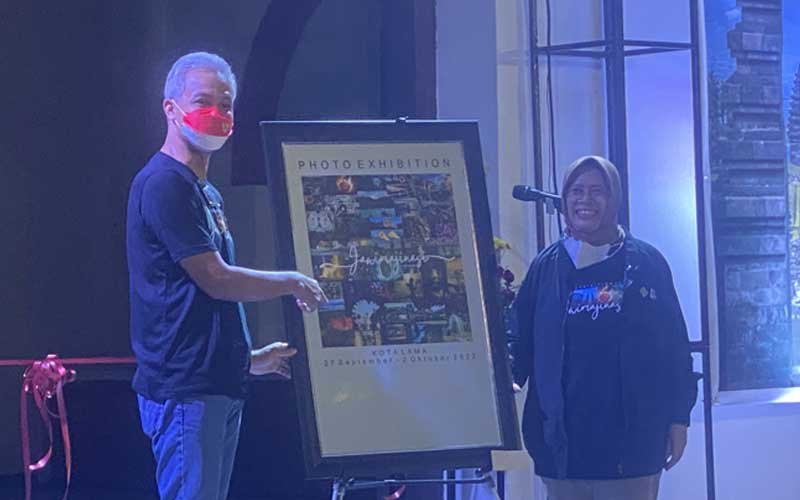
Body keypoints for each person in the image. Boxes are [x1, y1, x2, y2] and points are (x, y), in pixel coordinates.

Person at [126, 52, 327, 500]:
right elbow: (216, 280)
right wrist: (291, 281)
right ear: (171, 108)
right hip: (185, 390)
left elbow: (199, 304)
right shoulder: (164, 184)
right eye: (203, 100)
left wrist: (247, 359)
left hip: (214, 384)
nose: (216, 113)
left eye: (226, 103)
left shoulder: (205, 192)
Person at [510, 156, 698, 500]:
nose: (586, 200)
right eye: (577, 191)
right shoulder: (546, 267)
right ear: (565, 199)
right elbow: (519, 341)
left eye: (598, 191)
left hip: (631, 446)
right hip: (564, 449)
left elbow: (674, 348)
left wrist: (678, 418)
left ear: (614, 198)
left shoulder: (646, 264)